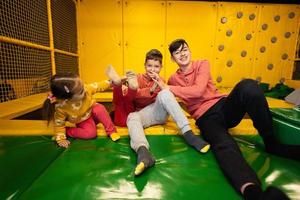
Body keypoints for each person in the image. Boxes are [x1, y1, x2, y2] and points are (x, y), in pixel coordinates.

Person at [167, 39, 300, 200]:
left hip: (223, 105)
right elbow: (166, 98)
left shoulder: (202, 64)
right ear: (173, 59)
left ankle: (271, 143)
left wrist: (168, 88)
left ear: (190, 51)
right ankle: (251, 190)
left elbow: (199, 90)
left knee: (248, 86)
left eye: (185, 50)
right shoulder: (172, 80)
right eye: (177, 52)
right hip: (205, 117)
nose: (182, 54)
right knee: (224, 144)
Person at [125, 49, 210, 176]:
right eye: (149, 65)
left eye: (156, 66)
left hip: (158, 113)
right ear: (144, 65)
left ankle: (188, 134)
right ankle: (143, 153)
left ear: (161, 67)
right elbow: (132, 96)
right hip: (142, 115)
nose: (152, 69)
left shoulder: (161, 80)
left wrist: (160, 86)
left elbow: (167, 100)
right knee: (131, 117)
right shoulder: (137, 78)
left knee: (165, 92)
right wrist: (150, 90)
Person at [43, 73, 120, 148]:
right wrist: (61, 138)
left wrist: (112, 82)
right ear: (68, 98)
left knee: (99, 108)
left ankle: (111, 131)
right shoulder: (61, 107)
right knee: (90, 134)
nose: (85, 90)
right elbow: (59, 124)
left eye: (83, 86)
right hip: (83, 119)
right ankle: (67, 131)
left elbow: (99, 85)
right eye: (81, 92)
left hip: (92, 111)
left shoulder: (85, 89)